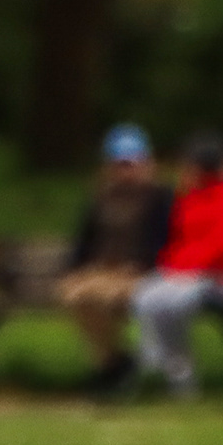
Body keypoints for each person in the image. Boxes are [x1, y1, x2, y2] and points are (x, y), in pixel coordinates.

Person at [130, 133, 223, 399]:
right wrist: (173, 267)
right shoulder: (190, 198)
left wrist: (188, 268)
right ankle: (158, 361)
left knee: (176, 303)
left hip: (222, 278)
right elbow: (179, 239)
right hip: (184, 274)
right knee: (145, 296)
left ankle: (180, 374)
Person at [57, 124, 169, 400]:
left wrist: (144, 264)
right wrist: (77, 268)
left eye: (131, 164)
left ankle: (111, 368)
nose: (125, 170)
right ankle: (113, 361)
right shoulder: (100, 197)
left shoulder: (160, 197)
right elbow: (85, 240)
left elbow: (164, 240)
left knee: (100, 298)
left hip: (137, 271)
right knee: (72, 294)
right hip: (102, 269)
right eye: (120, 164)